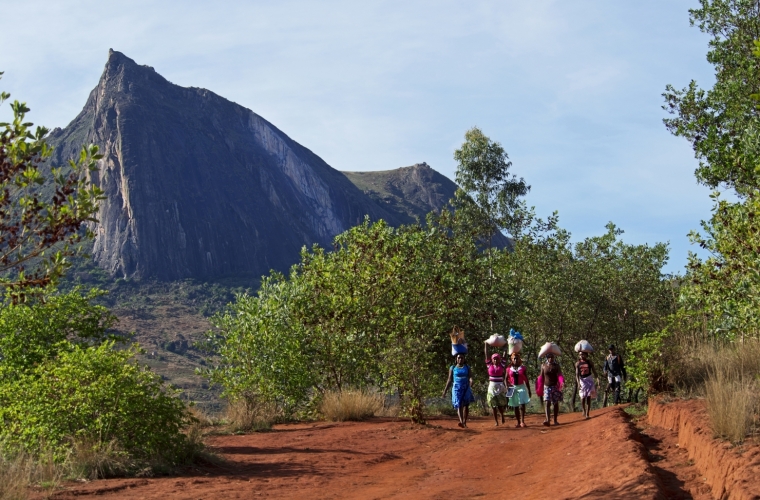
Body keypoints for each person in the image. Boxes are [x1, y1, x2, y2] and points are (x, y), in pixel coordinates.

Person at [443, 353, 476, 428]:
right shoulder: (453, 367)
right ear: (456, 359)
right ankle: (461, 422)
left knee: (466, 405)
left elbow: (470, 376)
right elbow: (449, 379)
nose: (460, 359)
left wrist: (471, 381)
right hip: (457, 388)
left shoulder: (467, 367)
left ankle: (465, 421)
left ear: (464, 359)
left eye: (462, 358)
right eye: (459, 358)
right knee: (459, 404)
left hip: (466, 387)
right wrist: (445, 391)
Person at [484, 343, 508, 426]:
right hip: (492, 386)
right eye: (494, 359)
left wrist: (505, 347)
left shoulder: (502, 365)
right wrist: (486, 345)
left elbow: (505, 356)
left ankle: (502, 415)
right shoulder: (489, 365)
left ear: (499, 359)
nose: (495, 360)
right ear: (492, 359)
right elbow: (486, 354)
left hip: (500, 386)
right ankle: (496, 421)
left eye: (497, 359)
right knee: (493, 404)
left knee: (500, 405)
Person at [507, 352, 531, 427]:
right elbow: (505, 379)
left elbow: (526, 380)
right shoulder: (509, 369)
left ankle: (522, 421)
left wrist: (529, 389)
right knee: (515, 405)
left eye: (517, 358)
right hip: (512, 387)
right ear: (512, 360)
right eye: (514, 358)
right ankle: (518, 422)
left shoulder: (523, 368)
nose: (516, 360)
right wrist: (507, 387)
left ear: (519, 359)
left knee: (522, 404)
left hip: (521, 387)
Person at [540, 352, 563, 426]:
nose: (551, 359)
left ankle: (555, 420)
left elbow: (559, 375)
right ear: (547, 358)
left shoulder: (556, 366)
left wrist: (562, 382)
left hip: (555, 387)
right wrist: (539, 386)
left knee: (555, 403)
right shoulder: (543, 366)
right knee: (547, 402)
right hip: (546, 387)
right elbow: (541, 376)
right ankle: (547, 420)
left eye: (552, 357)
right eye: (549, 357)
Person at [575, 351, 598, 419]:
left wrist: (597, 379)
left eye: (583, 354)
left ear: (586, 355)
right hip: (582, 380)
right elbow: (577, 375)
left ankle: (587, 414)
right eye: (580, 355)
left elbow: (594, 371)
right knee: (582, 397)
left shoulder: (589, 362)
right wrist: (578, 383)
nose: (581, 356)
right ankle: (584, 410)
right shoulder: (577, 363)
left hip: (589, 379)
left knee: (588, 396)